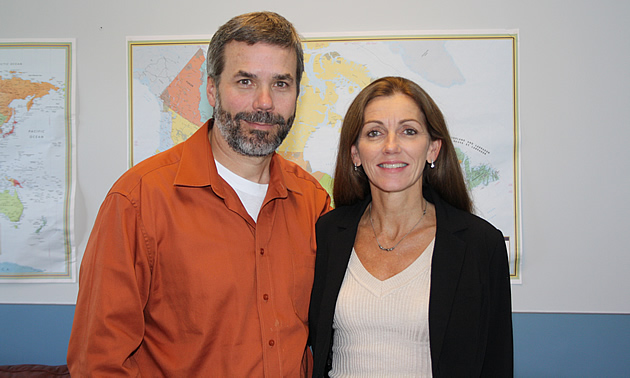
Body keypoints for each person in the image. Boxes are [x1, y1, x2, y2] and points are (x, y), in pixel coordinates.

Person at [68, 11, 331, 376]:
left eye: (281, 84)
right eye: (245, 81)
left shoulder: (314, 202)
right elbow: (98, 361)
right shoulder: (138, 201)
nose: (265, 102)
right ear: (211, 89)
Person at [309, 76, 513, 377]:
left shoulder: (480, 244)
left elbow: (495, 364)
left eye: (408, 131)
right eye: (375, 132)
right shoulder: (327, 233)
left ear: (433, 149)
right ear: (355, 153)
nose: (391, 147)